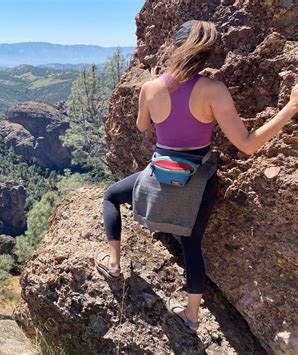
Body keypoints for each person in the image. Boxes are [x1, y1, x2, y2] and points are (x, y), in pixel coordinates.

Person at [95, 19, 297, 333]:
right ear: (208, 54)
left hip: (157, 174)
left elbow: (141, 126)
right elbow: (246, 144)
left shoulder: (150, 88)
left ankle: (114, 263)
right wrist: (290, 108)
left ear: (175, 47)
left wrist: (153, 88)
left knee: (111, 195)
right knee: (191, 242)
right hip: (197, 180)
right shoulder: (213, 90)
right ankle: (191, 315)